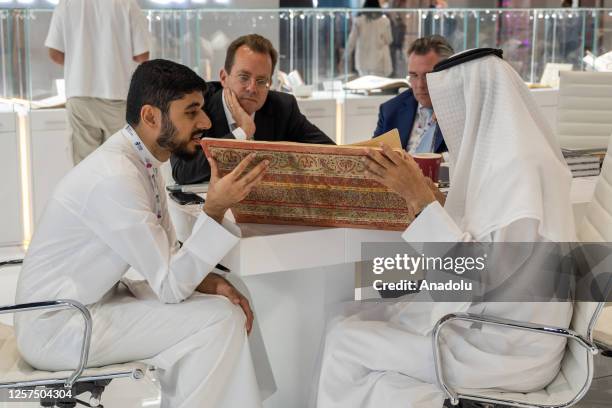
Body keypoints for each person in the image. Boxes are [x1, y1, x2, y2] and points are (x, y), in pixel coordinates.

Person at [316, 49, 575, 407]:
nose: (439, 115)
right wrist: (432, 206)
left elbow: (474, 280)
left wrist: (420, 199)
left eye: (447, 103)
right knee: (353, 309)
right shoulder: (515, 160)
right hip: (491, 333)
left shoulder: (518, 174)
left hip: (503, 350)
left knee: (345, 338)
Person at [15, 59, 275, 408]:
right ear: (151, 116)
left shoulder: (142, 161)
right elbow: (169, 285)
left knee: (229, 295)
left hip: (91, 303)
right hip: (59, 325)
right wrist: (213, 209)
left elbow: (167, 255)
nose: (206, 122)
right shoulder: (116, 177)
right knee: (219, 318)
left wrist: (210, 281)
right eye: (192, 112)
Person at [171, 34, 334, 185]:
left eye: (262, 81)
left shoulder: (283, 107)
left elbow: (331, 154)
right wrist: (242, 133)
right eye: (244, 77)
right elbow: (182, 172)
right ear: (223, 77)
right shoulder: (199, 106)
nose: (252, 88)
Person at [45, 0, 150, 164]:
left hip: (79, 95)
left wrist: (79, 63)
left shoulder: (66, 4)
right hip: (118, 96)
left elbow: (54, 53)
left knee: (84, 168)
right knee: (120, 164)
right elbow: (142, 56)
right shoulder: (127, 4)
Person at [374, 36, 453, 154]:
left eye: (428, 75)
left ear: (449, 74)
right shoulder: (391, 110)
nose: (420, 85)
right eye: (414, 75)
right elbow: (374, 159)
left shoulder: (464, 111)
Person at [346, 0, 393, 78]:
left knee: (365, 85)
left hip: (362, 61)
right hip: (379, 61)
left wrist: (346, 54)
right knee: (378, 85)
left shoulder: (359, 21)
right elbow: (389, 40)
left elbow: (352, 40)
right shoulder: (385, 21)